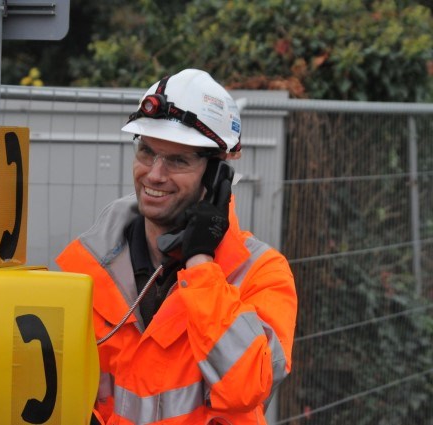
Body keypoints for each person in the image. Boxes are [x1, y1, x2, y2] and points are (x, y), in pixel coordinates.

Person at [56, 69, 297, 424]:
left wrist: (201, 264)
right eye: (147, 152)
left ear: (217, 177)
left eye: (178, 160)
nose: (154, 174)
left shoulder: (261, 273)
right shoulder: (84, 267)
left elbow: (246, 386)